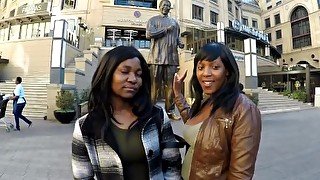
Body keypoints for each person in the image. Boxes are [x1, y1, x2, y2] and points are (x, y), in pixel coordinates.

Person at [71, 46, 182, 179]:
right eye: (125, 72)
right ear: (107, 74)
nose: (133, 79)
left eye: (138, 74)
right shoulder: (85, 126)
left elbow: (172, 169)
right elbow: (82, 177)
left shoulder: (156, 116)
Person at [173, 43, 261, 179]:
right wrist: (178, 94)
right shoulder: (208, 101)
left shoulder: (244, 108)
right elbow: (195, 125)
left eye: (215, 67)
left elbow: (240, 175)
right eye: (201, 67)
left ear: (227, 70)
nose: (206, 74)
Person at [146, 0, 184, 120]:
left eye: (168, 5)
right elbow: (149, 34)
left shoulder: (175, 23)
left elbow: (177, 38)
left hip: (171, 58)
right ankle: (150, 111)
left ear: (170, 8)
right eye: (164, 5)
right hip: (156, 58)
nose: (166, 7)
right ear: (159, 7)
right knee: (154, 86)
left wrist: (180, 43)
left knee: (170, 87)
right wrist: (165, 30)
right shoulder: (153, 20)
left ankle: (170, 111)